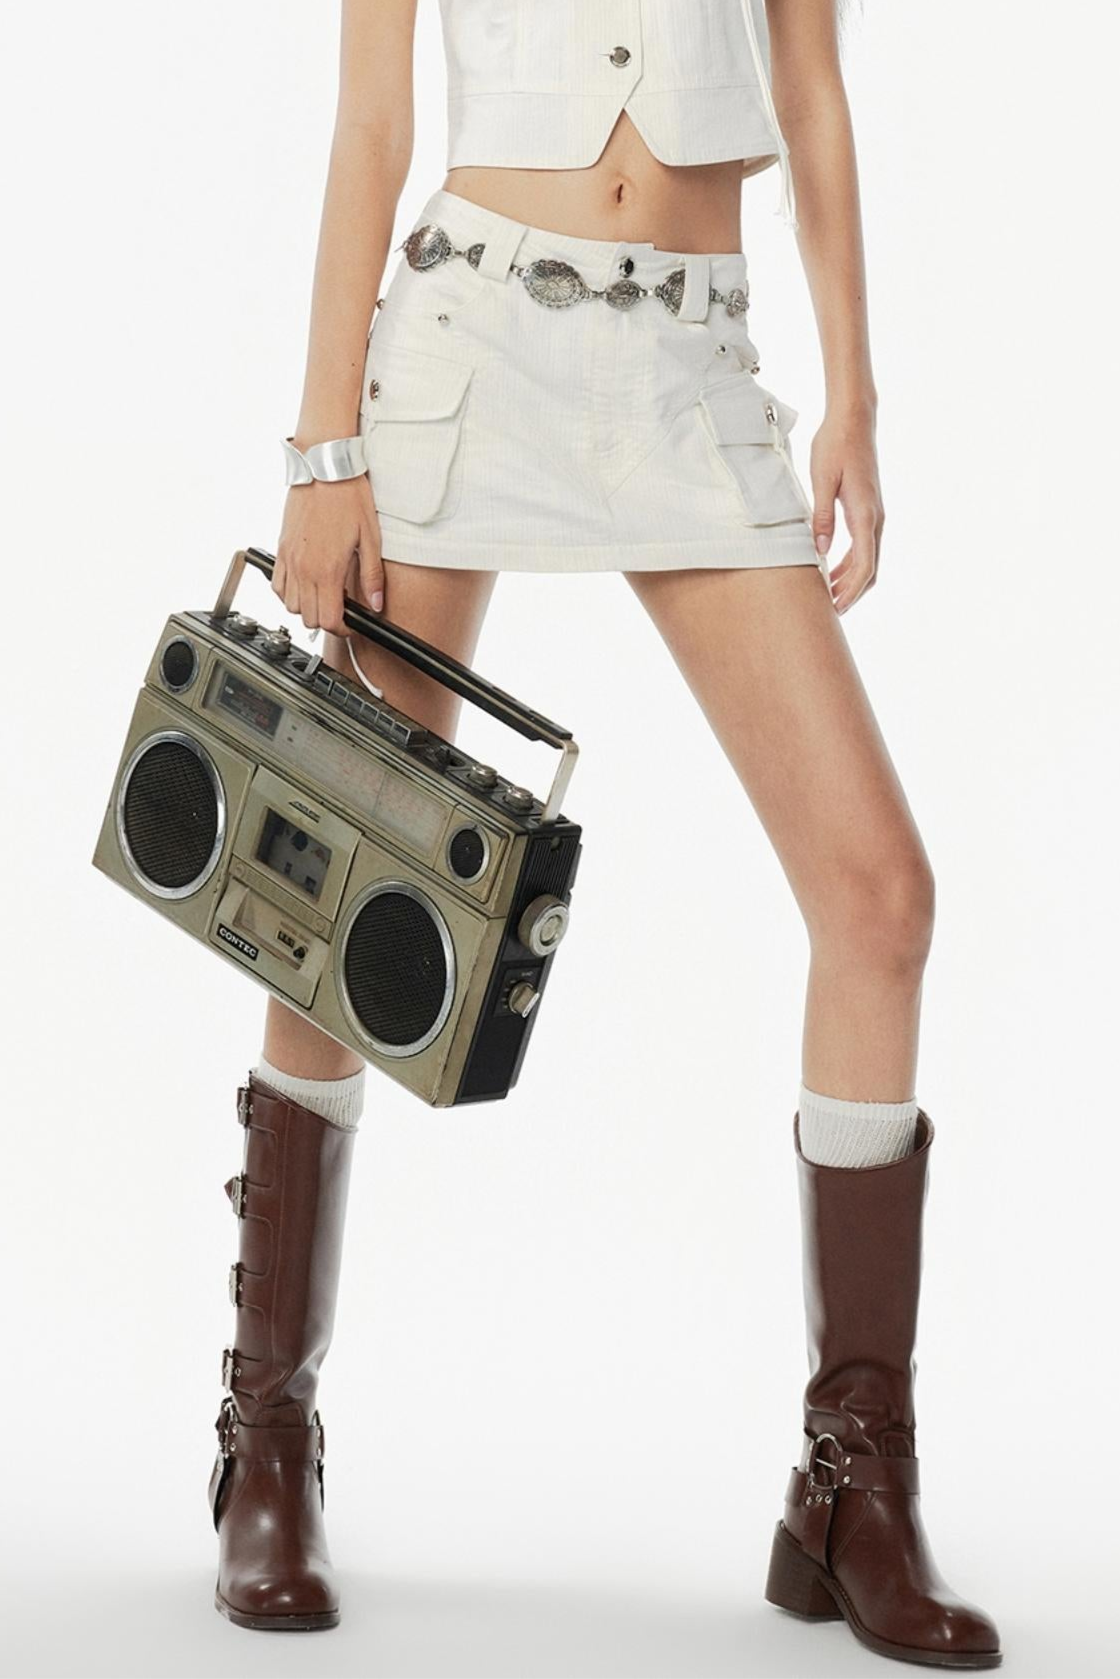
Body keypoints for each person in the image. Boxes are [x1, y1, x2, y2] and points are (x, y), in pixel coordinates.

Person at [207, 1, 1002, 1666]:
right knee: (338, 891)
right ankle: (266, 1436)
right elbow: (372, 119)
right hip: (470, 341)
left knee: (879, 897)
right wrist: (323, 448)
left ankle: (853, 1483)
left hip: (691, 372)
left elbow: (813, 85)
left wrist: (853, 395)